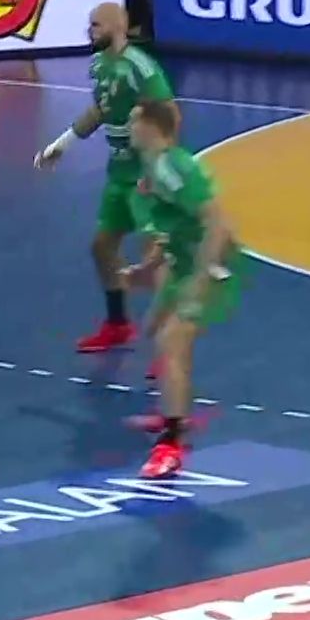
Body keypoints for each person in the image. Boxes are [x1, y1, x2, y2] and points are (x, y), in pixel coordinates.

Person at [35, 3, 178, 372]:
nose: (90, 31)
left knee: (154, 259)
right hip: (119, 174)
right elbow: (99, 111)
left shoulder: (140, 67)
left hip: (145, 175)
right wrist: (61, 145)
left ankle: (168, 346)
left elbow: (170, 116)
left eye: (96, 25)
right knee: (102, 248)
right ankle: (118, 325)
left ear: (117, 26)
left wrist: (158, 167)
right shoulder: (99, 65)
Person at [121, 101, 243, 477]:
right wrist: (147, 268)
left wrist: (201, 279)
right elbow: (171, 230)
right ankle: (173, 412)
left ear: (150, 126)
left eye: (133, 121)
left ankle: (171, 445)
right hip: (182, 267)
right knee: (158, 332)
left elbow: (218, 225)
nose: (128, 127)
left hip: (209, 268)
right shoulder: (153, 169)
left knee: (171, 342)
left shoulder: (174, 167)